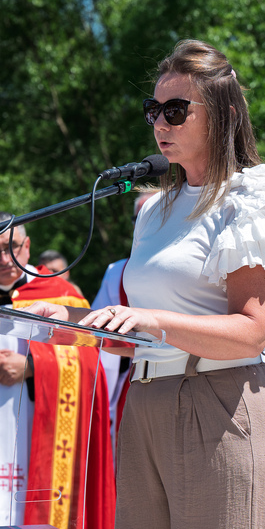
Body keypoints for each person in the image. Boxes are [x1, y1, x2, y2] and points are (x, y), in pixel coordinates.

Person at [25, 39, 265, 529]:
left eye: (176, 110)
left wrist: (152, 320)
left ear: (224, 114)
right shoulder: (153, 210)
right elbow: (139, 338)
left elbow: (251, 332)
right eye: (153, 110)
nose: (160, 123)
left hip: (222, 405)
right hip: (145, 405)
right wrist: (68, 320)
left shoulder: (253, 199)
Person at [0, 212, 113, 529]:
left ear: (27, 246)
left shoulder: (64, 297)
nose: (4, 257)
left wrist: (32, 367)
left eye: (12, 246)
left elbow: (91, 364)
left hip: (44, 430)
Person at [91, 190, 155, 453]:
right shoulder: (116, 272)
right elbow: (97, 334)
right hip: (129, 379)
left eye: (154, 216)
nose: (144, 225)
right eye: (139, 219)